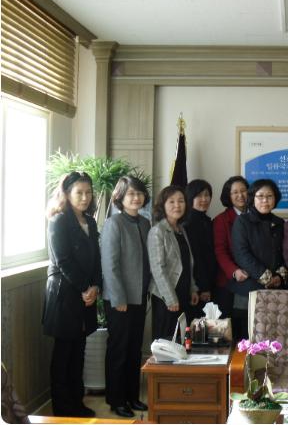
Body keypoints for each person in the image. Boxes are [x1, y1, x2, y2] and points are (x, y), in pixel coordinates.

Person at [43, 171, 101, 417]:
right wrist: (85, 288)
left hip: (86, 293)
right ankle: (62, 407)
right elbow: (63, 260)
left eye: (88, 192)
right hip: (65, 294)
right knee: (64, 351)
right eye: (79, 192)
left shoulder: (91, 220)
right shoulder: (59, 220)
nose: (85, 197)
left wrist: (96, 286)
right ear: (66, 193)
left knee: (79, 349)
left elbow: (97, 259)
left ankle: (76, 402)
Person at [101, 176, 151, 418]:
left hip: (139, 297)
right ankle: (116, 399)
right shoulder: (114, 223)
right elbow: (110, 265)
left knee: (134, 349)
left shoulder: (145, 223)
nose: (136, 198)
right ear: (120, 197)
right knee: (119, 349)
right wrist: (118, 298)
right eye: (131, 194)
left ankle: (132, 396)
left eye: (139, 193)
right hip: (119, 299)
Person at [231, 179, 287, 339]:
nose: (265, 200)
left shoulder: (279, 223)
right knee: (246, 337)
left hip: (276, 289)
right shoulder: (242, 221)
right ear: (252, 198)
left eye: (269, 196)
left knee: (274, 335)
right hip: (249, 288)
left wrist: (279, 276)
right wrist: (267, 277)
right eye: (260, 196)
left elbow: (286, 252)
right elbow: (241, 254)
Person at [148, 186, 200, 340]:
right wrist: (170, 298)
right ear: (162, 206)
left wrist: (192, 289)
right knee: (166, 341)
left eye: (181, 201)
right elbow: (158, 268)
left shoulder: (181, 229)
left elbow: (187, 263)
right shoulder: (158, 231)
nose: (177, 205)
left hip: (183, 292)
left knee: (181, 339)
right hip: (166, 295)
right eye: (171, 202)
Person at [213, 176, 249, 320]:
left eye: (243, 191)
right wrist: (234, 271)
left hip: (253, 279)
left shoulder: (255, 216)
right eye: (235, 192)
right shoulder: (221, 220)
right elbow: (220, 250)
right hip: (229, 281)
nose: (240, 195)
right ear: (229, 195)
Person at [184, 179, 217, 315]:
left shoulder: (207, 221)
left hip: (210, 282)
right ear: (190, 198)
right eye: (199, 196)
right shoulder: (189, 223)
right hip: (197, 287)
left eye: (207, 195)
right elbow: (196, 257)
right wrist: (203, 287)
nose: (204, 199)